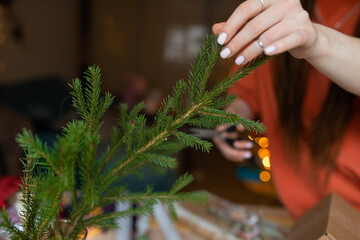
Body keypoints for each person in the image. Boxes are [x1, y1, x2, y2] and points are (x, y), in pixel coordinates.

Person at [212, 0, 360, 219]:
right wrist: (232, 117)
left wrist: (315, 41)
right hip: (304, 217)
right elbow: (244, 94)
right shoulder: (278, 10)